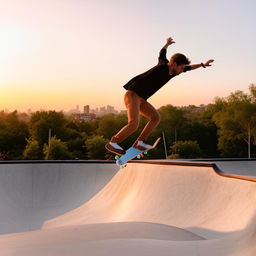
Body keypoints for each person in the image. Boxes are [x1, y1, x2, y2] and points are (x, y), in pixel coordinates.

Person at [105, 37, 214, 155]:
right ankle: (113, 142)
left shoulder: (173, 73)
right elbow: (162, 53)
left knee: (155, 117)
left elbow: (188, 67)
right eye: (181, 68)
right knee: (134, 123)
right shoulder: (162, 65)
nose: (182, 71)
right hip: (133, 94)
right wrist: (166, 44)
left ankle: (140, 142)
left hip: (142, 99)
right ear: (175, 64)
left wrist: (203, 64)